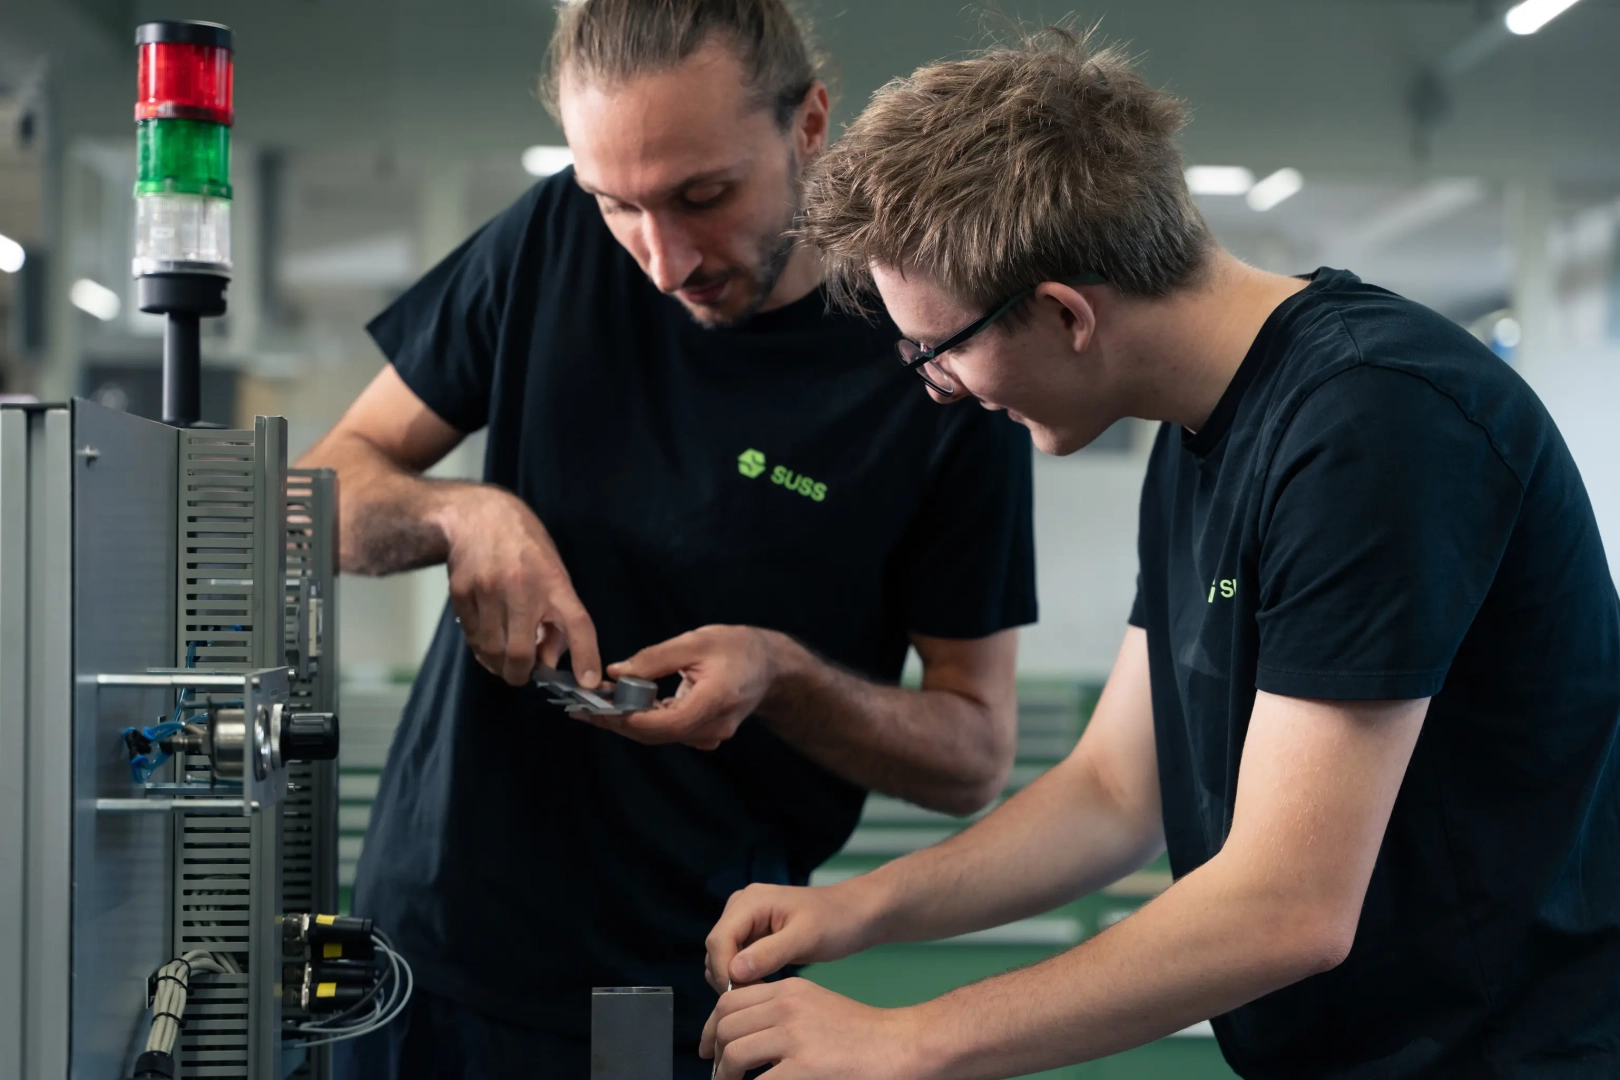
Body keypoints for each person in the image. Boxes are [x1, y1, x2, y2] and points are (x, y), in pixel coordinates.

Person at [699, 28, 1620, 1080]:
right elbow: (1112, 791)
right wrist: (857, 908)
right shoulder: (1195, 433)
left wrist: (908, 1038)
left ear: (1065, 314)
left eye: (938, 351)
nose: (935, 389)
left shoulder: (1375, 420)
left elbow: (1287, 907)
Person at [297, 3, 1038, 1077]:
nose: (662, 261)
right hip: (431, 952)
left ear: (809, 124)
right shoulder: (548, 239)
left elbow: (973, 754)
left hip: (693, 990)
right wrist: (464, 513)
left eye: (704, 197)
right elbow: (317, 493)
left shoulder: (931, 353)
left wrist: (782, 677)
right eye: (618, 205)